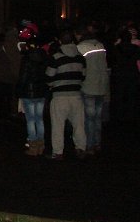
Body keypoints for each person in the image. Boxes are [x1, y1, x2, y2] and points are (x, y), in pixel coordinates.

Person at [46, 30, 87, 160]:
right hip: (76, 95)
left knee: (58, 125)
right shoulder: (80, 57)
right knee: (79, 125)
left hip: (59, 95)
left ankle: (58, 152)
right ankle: (81, 148)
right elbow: (83, 76)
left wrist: (54, 83)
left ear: (60, 41)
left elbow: (49, 77)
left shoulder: (56, 57)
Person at [15, 21, 49, 156]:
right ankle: (41, 143)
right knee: (39, 119)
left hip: (28, 92)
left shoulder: (27, 58)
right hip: (40, 91)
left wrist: (19, 90)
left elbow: (23, 77)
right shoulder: (44, 57)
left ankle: (33, 144)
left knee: (30, 119)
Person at [75, 24, 110, 155]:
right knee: (97, 116)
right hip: (102, 84)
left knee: (89, 117)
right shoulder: (100, 45)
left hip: (88, 84)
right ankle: (97, 142)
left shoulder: (81, 47)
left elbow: (80, 66)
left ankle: (89, 145)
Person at [112, 29, 140, 122]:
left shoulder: (117, 48)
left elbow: (112, 60)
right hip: (132, 73)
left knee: (120, 96)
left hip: (120, 74)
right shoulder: (135, 48)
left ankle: (120, 117)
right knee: (132, 96)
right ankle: (131, 116)